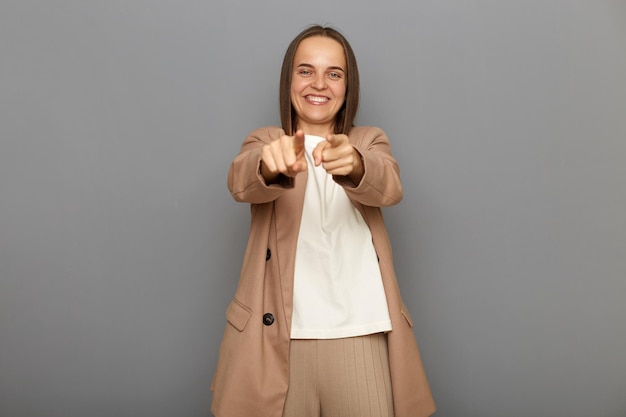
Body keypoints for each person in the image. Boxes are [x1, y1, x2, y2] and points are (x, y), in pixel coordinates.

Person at [211, 25, 435, 417]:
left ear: (348, 87)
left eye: (334, 73)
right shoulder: (266, 141)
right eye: (305, 70)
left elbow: (389, 184)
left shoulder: (368, 141)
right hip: (277, 343)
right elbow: (241, 180)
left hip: (360, 338)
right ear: (289, 81)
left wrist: (355, 165)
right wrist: (269, 164)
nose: (319, 83)